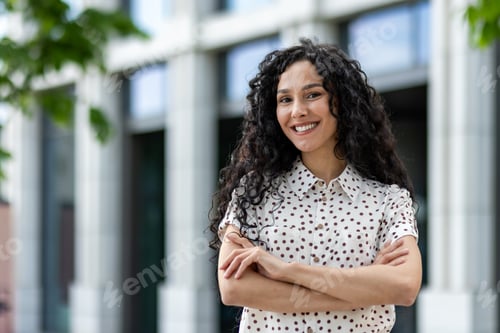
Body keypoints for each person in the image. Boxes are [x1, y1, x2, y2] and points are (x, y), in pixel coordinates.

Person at [209, 38, 422, 333]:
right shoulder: (254, 193)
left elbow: (405, 286)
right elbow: (233, 288)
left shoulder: (388, 201)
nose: (297, 110)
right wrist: (362, 288)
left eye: (312, 95)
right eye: (285, 99)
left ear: (343, 103)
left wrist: (285, 271)